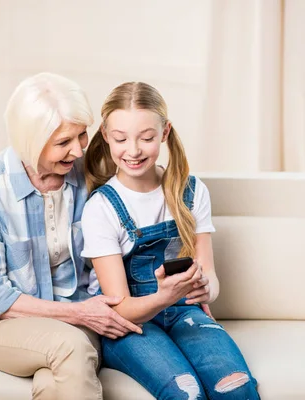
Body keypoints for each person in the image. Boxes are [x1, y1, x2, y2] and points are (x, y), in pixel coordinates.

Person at [0, 72, 142, 400]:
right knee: (70, 346)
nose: (77, 150)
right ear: (29, 141)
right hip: (3, 324)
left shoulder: (89, 174)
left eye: (81, 136)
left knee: (57, 377)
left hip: (78, 317)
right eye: (62, 143)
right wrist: (77, 314)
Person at [81, 81, 260, 399]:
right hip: (132, 323)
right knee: (185, 392)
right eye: (121, 139)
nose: (133, 150)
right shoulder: (101, 207)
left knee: (235, 385)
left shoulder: (191, 191)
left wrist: (205, 287)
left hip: (184, 311)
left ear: (164, 133)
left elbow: (210, 277)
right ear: (106, 136)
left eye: (146, 138)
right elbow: (120, 308)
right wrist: (164, 296)